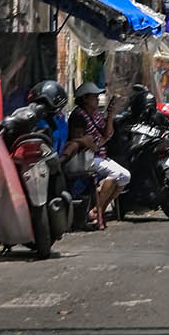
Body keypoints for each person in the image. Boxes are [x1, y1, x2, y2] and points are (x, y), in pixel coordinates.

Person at [64, 82, 131, 227]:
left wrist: (110, 115)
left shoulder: (96, 115)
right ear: (85, 98)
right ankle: (97, 212)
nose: (96, 99)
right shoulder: (78, 115)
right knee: (114, 173)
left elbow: (107, 134)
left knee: (125, 176)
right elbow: (78, 140)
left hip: (100, 156)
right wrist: (91, 144)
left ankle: (98, 210)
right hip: (85, 158)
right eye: (94, 97)